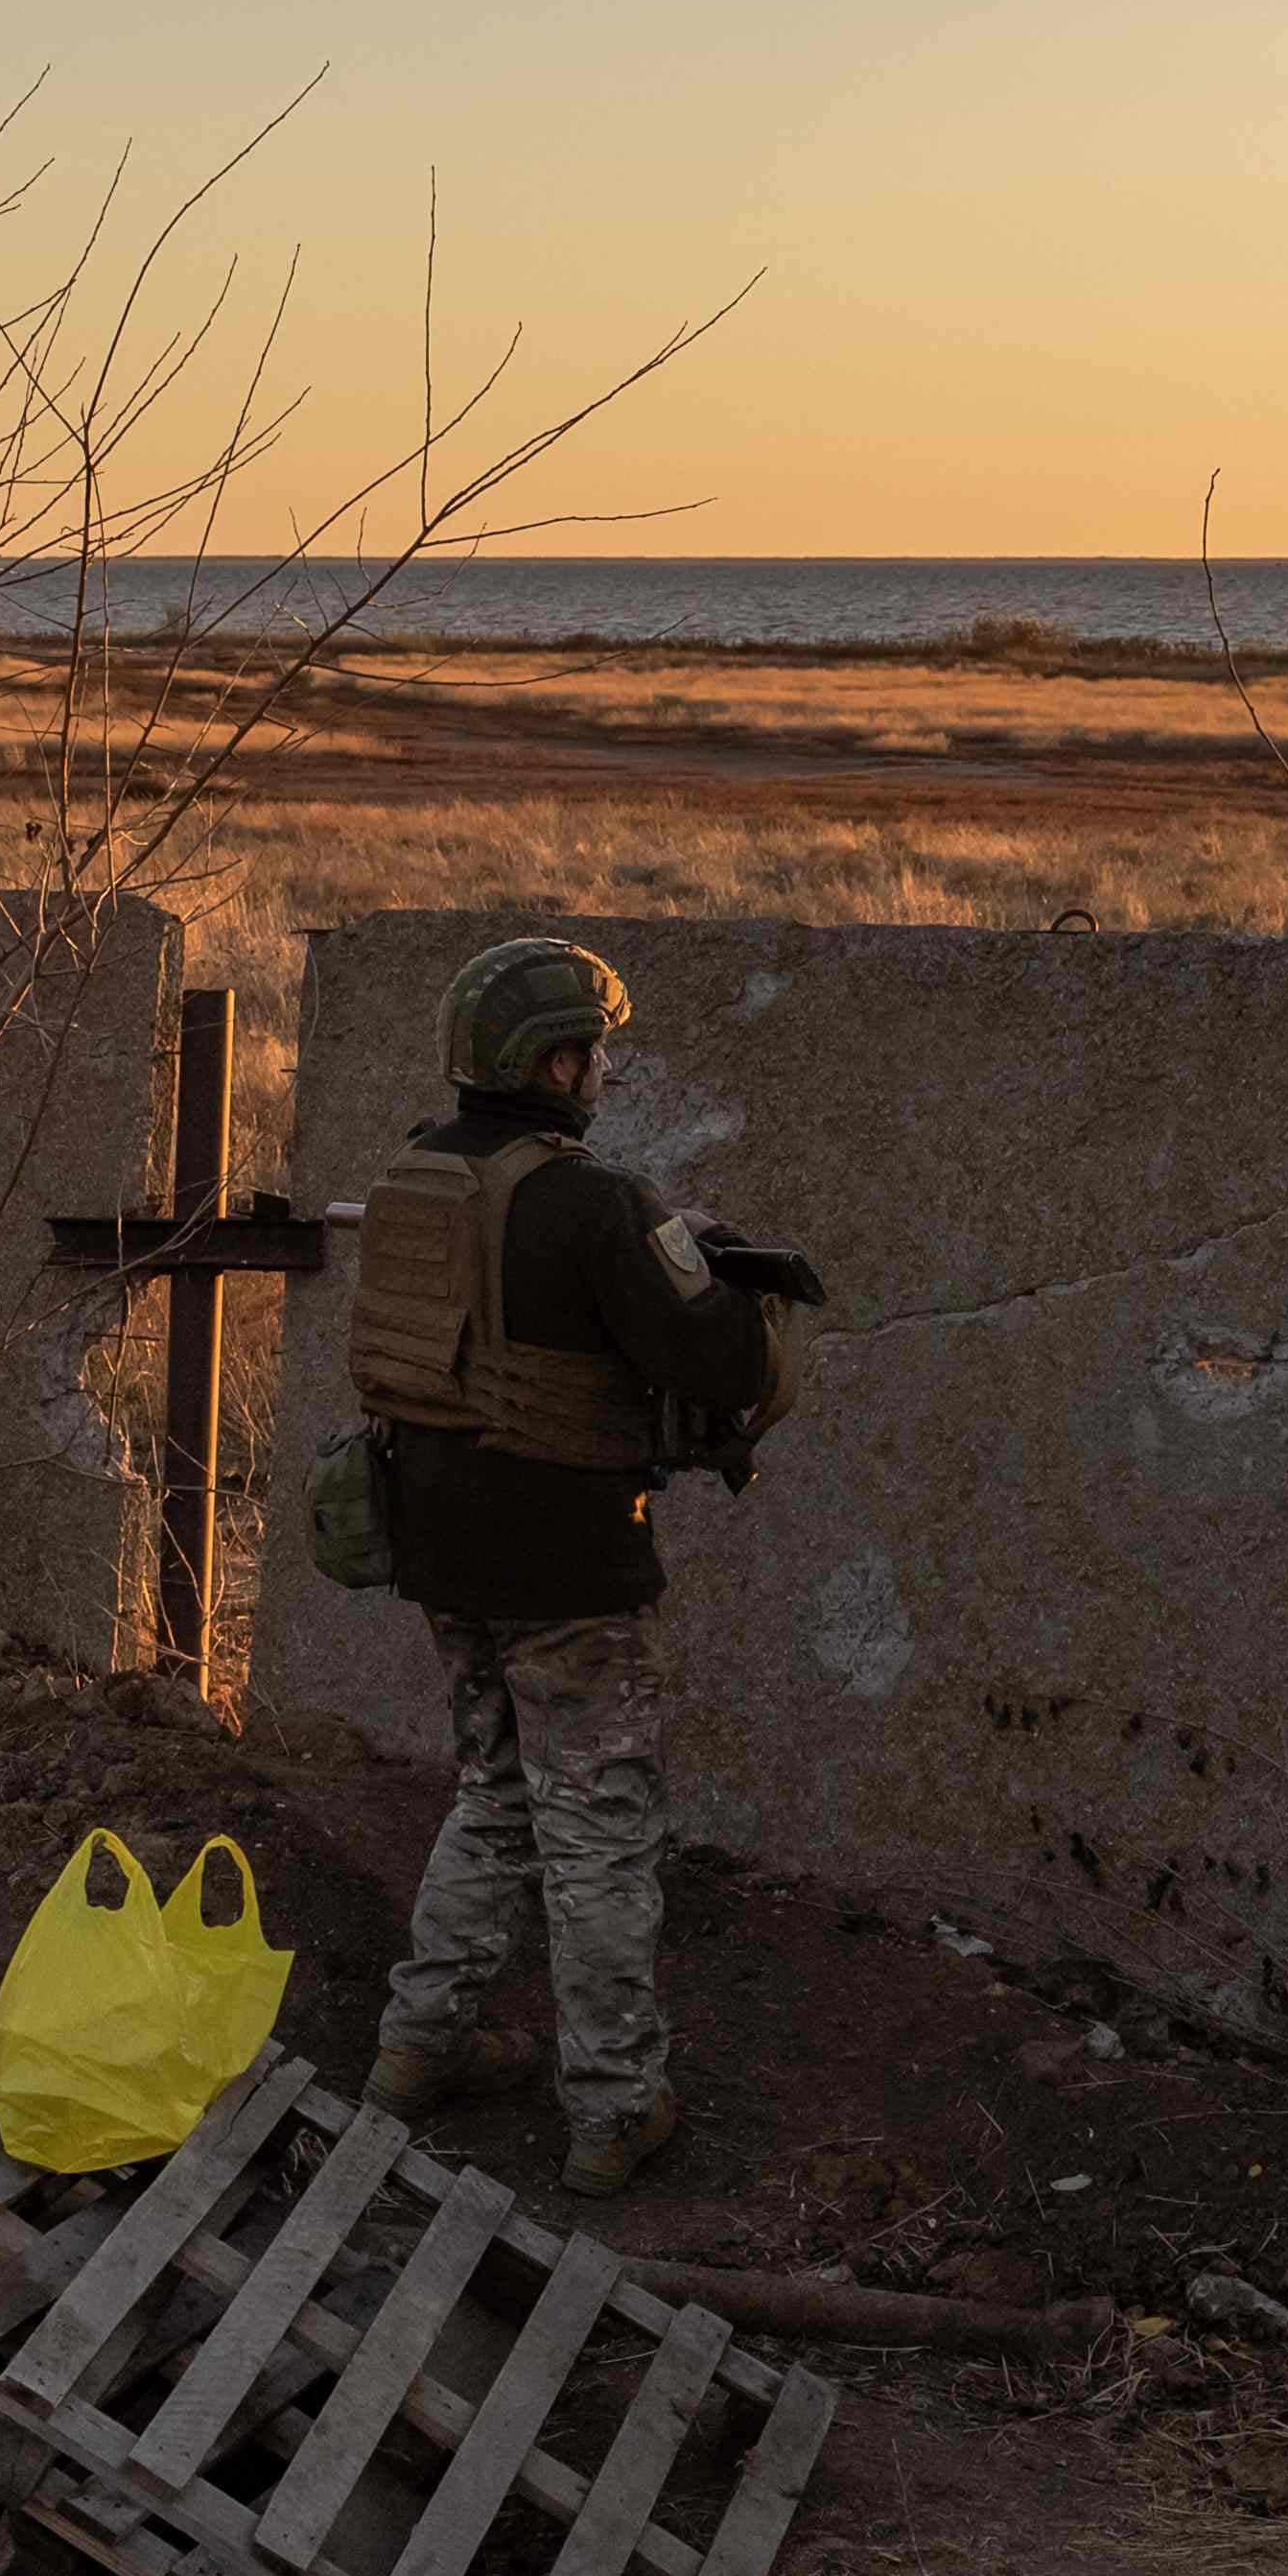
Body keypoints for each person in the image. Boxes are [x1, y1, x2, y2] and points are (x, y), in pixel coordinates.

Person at [342, 934, 785, 2193]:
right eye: (591, 1048)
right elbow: (723, 1370)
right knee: (596, 1829)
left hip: (436, 1543)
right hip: (569, 1569)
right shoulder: (599, 1202)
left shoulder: (412, 1178)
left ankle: (413, 2051)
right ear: (550, 1060)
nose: (601, 1070)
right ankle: (611, 2109)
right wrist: (711, 1274)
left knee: (490, 1793)